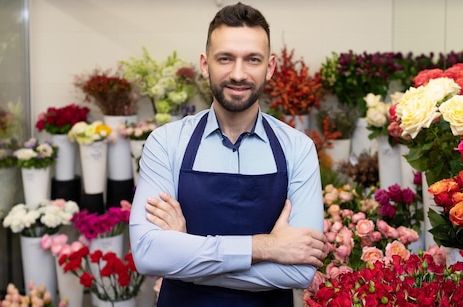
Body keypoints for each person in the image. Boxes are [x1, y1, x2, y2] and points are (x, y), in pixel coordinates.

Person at [129, 3, 326, 306]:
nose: (238, 73)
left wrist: (185, 254)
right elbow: (147, 254)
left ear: (270, 67)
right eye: (225, 59)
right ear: (205, 64)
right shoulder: (166, 143)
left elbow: (299, 271)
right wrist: (267, 247)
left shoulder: (297, 148)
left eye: (252, 60)